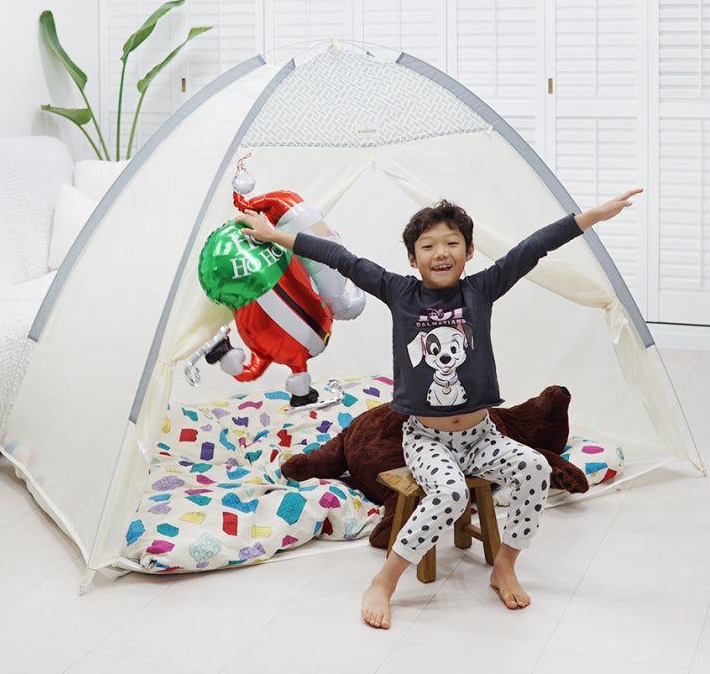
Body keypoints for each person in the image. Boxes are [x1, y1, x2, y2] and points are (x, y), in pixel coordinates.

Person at [235, 188, 643, 629]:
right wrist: (276, 236)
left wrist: (591, 216)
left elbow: (532, 248)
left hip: (482, 435)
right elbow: (341, 258)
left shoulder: (481, 290)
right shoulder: (399, 291)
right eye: (428, 246)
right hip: (427, 440)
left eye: (452, 243)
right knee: (451, 494)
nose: (441, 252)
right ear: (413, 258)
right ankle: (384, 581)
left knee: (536, 468)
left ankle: (505, 565)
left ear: (469, 251)